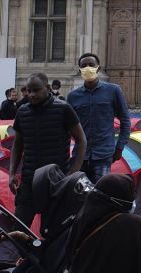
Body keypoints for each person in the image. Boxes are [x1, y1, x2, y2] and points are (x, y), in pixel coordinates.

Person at [7, 73, 86, 226]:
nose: (31, 95)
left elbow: (82, 140)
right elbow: (17, 145)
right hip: (29, 179)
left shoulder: (63, 108)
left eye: (36, 90)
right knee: (18, 229)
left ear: (47, 88)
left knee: (52, 231)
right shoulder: (22, 112)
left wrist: (73, 173)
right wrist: (11, 173)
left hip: (56, 181)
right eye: (28, 91)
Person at [65, 53, 131, 181]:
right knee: (79, 195)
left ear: (98, 68)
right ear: (79, 70)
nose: (88, 68)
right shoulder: (73, 96)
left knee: (100, 195)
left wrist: (120, 147)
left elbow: (125, 120)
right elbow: (66, 126)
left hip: (104, 154)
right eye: (84, 66)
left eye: (91, 65)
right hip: (80, 156)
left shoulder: (113, 90)